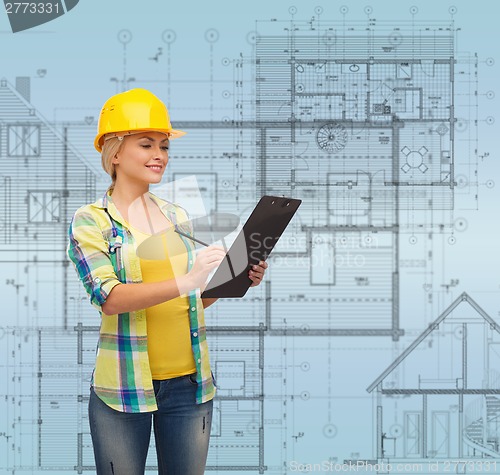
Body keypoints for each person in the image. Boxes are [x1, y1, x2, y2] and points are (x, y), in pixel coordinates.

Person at [66, 88, 268, 475]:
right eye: (146, 144)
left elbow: (190, 300)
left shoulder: (176, 214)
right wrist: (186, 280)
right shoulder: (92, 220)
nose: (159, 154)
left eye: (163, 145)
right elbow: (109, 298)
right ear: (115, 151)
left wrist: (236, 279)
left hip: (190, 387)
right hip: (124, 390)